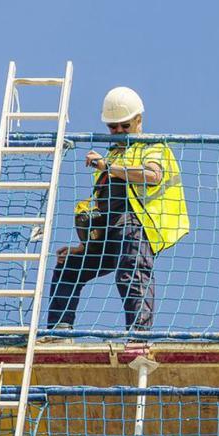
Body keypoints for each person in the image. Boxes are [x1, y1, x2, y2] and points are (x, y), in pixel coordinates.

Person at [45, 86, 189, 334]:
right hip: (109, 235)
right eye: (114, 127)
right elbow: (104, 208)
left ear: (138, 120)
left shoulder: (150, 146)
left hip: (135, 227)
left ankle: (138, 335)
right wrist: (86, 246)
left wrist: (108, 165)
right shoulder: (111, 156)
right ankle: (59, 330)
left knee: (131, 274)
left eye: (125, 125)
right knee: (69, 266)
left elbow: (153, 175)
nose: (120, 132)